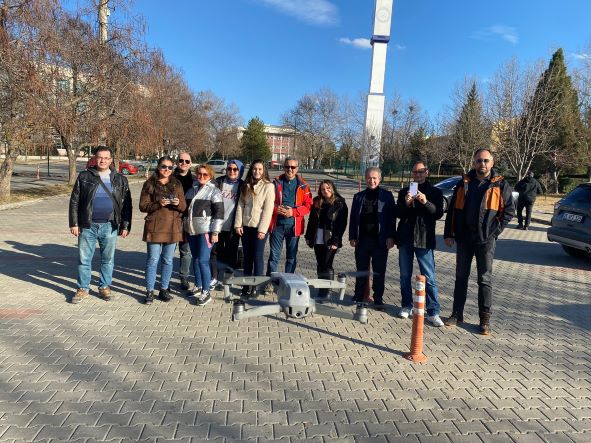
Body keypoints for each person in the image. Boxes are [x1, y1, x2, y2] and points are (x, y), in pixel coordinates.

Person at [444, 148, 515, 335]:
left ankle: (484, 320)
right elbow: (452, 210)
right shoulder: (464, 183)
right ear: (474, 162)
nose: (482, 164)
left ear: (492, 162)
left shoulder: (500, 184)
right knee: (461, 277)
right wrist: (449, 233)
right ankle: (456, 314)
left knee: (484, 280)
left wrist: (495, 231)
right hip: (464, 238)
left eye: (485, 160)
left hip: (486, 240)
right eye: (478, 160)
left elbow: (509, 211)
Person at [69, 146, 132, 304]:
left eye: (106, 158)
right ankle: (83, 288)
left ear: (111, 160)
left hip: (109, 226)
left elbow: (127, 205)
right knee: (84, 259)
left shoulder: (120, 179)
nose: (102, 160)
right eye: (99, 157)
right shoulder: (84, 176)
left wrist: (125, 225)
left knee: (108, 259)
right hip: (87, 225)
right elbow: (74, 201)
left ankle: (104, 286)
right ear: (95, 158)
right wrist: (74, 223)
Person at [396, 161, 445, 326]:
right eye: (415, 172)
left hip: (424, 239)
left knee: (429, 277)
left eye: (421, 171)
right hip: (405, 238)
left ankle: (433, 311)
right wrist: (406, 203)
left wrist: (425, 202)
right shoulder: (404, 191)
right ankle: (406, 305)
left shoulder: (435, 192)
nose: (418, 174)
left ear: (427, 172)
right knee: (405, 275)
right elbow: (398, 213)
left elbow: (438, 214)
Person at [139, 156, 187, 305]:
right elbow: (142, 206)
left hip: (172, 227)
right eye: (164, 167)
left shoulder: (177, 184)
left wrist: (177, 203)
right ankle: (149, 291)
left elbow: (183, 207)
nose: (166, 170)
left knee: (167, 260)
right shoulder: (150, 183)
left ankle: (164, 289)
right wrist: (158, 203)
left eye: (170, 167)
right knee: (153, 260)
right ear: (158, 167)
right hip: (154, 227)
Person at [349, 167, 396, 311]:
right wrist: (352, 236)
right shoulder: (358, 197)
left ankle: (378, 299)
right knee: (361, 269)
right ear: (365, 179)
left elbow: (391, 218)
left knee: (379, 271)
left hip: (380, 240)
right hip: (362, 240)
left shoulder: (387, 196)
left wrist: (391, 237)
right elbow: (353, 218)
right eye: (369, 178)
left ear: (379, 179)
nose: (372, 180)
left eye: (374, 178)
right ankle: (358, 296)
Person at [265, 156, 312, 287]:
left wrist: (293, 212)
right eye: (287, 167)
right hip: (277, 226)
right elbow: (268, 201)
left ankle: (288, 283)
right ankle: (271, 282)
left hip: (294, 227)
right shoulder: (276, 183)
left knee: (291, 257)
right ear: (283, 167)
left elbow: (308, 206)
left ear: (297, 168)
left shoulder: (304, 186)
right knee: (274, 256)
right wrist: (276, 209)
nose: (290, 170)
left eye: (293, 167)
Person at [234, 160, 275, 297]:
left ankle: (256, 286)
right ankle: (246, 285)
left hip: (259, 228)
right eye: (254, 169)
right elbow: (240, 205)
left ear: (264, 171)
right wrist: (238, 224)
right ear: (251, 170)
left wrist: (262, 229)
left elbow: (268, 210)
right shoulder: (246, 185)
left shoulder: (268, 186)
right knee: (247, 258)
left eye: (260, 169)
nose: (257, 171)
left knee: (257, 257)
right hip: (246, 226)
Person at [184, 164, 224, 306]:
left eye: (205, 174)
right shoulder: (191, 190)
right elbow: (186, 211)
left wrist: (215, 232)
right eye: (199, 174)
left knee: (202, 261)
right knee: (195, 259)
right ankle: (198, 285)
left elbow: (219, 213)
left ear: (210, 176)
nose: (201, 176)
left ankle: (206, 292)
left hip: (206, 231)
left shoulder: (214, 191)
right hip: (192, 230)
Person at [304, 180, 348, 301]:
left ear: (332, 188)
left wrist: (335, 241)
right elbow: (311, 220)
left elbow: (341, 224)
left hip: (330, 237)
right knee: (320, 263)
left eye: (328, 188)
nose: (326, 191)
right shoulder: (317, 201)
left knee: (327, 263)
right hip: (317, 236)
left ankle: (327, 291)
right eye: (323, 189)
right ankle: (321, 290)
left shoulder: (340, 203)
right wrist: (308, 236)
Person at [210, 159, 245, 289]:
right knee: (215, 251)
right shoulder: (218, 182)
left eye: (235, 169)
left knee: (231, 252)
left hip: (232, 225)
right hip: (217, 225)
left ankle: (227, 278)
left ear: (240, 171)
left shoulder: (243, 185)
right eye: (229, 169)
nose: (232, 171)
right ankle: (214, 277)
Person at [173, 152, 195, 290]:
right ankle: (165, 278)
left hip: (187, 219)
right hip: (171, 218)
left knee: (186, 250)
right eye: (181, 160)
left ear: (191, 164)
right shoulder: (170, 178)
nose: (184, 163)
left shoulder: (195, 181)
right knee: (168, 250)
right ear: (177, 162)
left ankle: (184, 277)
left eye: (187, 161)